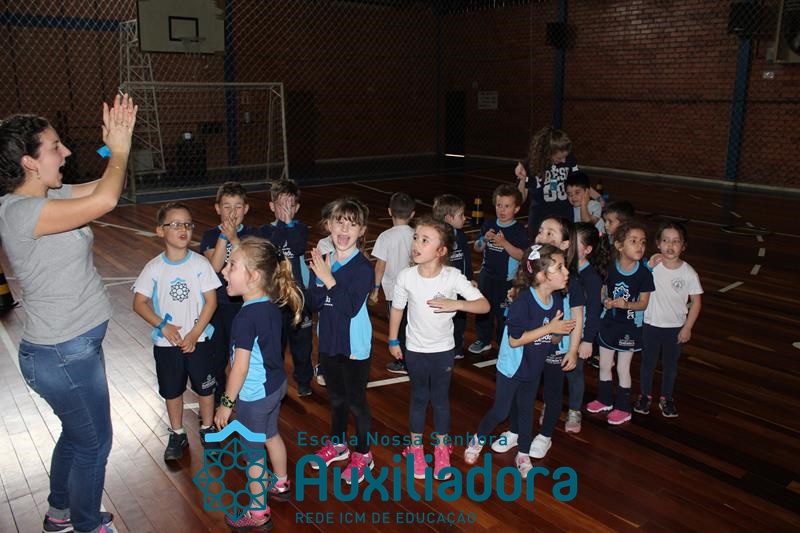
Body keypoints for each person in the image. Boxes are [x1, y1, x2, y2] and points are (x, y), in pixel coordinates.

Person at [0, 94, 137, 533]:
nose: (66, 152)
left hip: (73, 349)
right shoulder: (21, 213)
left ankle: (59, 513)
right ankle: (86, 524)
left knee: (77, 434)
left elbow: (102, 186)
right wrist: (119, 149)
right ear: (29, 162)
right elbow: (106, 201)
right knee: (95, 443)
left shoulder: (50, 194)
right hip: (62, 355)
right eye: (55, 146)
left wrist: (113, 149)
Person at [388, 216, 488, 481]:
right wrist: (393, 340)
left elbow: (483, 305)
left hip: (443, 351)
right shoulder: (406, 276)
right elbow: (397, 309)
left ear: (441, 250)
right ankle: (416, 449)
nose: (416, 244)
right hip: (415, 350)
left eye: (425, 240)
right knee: (419, 398)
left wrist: (457, 304)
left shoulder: (452, 277)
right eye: (416, 238)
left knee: (441, 400)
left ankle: (442, 449)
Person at [214, 237, 304, 531]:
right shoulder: (271, 307)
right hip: (275, 386)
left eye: (232, 266)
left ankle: (258, 512)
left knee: (252, 453)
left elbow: (239, 368)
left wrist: (226, 403)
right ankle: (281, 482)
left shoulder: (245, 318)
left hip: (254, 397)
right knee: (271, 434)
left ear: (253, 276)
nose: (225, 271)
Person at [463, 244, 574, 478]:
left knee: (526, 410)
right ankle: (477, 440)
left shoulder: (556, 300)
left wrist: (558, 331)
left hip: (533, 367)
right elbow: (515, 340)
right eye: (560, 267)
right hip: (512, 368)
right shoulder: (523, 302)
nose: (566, 272)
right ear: (542, 276)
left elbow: (552, 340)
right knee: (501, 411)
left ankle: (523, 454)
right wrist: (550, 328)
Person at [133, 203, 221, 459]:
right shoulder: (153, 268)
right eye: (175, 224)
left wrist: (194, 333)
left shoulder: (200, 264)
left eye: (187, 224)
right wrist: (163, 325)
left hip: (199, 340)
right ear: (160, 231)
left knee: (205, 388)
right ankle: (177, 433)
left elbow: (211, 301)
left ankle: (207, 428)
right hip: (167, 344)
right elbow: (139, 303)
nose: (183, 228)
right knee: (172, 390)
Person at [307, 197, 375, 485]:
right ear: (329, 226)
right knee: (336, 398)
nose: (344, 229)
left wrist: (328, 278)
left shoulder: (363, 268)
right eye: (339, 222)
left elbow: (349, 307)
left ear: (362, 231)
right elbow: (313, 303)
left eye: (352, 224)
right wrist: (320, 277)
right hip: (329, 341)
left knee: (356, 403)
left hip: (354, 347)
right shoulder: (324, 262)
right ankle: (338, 445)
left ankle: (364, 454)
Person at [587, 221, 654, 425]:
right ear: (619, 245)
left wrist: (626, 304)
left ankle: (623, 408)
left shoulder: (644, 274)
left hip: (630, 328)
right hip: (609, 323)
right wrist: (605, 300)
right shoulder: (609, 268)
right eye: (633, 241)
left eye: (643, 242)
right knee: (605, 364)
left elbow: (643, 304)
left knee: (623, 368)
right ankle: (604, 399)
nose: (640, 246)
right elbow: (602, 292)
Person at [200, 181, 260, 406]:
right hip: (218, 304)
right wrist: (224, 236)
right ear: (217, 208)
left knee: (243, 352)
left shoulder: (253, 235)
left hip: (246, 304)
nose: (232, 212)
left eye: (238, 207)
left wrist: (235, 239)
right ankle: (218, 398)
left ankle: (243, 395)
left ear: (246, 209)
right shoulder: (210, 235)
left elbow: (251, 264)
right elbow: (215, 267)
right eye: (227, 207)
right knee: (218, 354)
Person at [635, 222, 702, 418]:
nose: (670, 245)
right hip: (650, 325)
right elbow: (635, 278)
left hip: (675, 328)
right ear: (658, 243)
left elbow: (696, 303)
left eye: (676, 241)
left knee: (670, 365)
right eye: (665, 240)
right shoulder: (651, 267)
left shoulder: (688, 273)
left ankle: (666, 397)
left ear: (683, 246)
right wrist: (648, 265)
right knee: (647, 363)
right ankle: (645, 395)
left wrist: (687, 327)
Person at [260, 179, 314, 397]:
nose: (285, 210)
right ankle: (275, 382)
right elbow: (273, 248)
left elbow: (298, 246)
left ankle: (304, 380)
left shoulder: (300, 229)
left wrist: (289, 223)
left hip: (299, 298)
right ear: (272, 206)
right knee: (276, 346)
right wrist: (283, 224)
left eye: (290, 205)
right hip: (275, 299)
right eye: (281, 205)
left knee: (303, 345)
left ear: (297, 207)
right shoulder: (265, 230)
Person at [469, 184, 527, 355]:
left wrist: (504, 243)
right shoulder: (489, 223)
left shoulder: (518, 230)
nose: (502, 210)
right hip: (487, 276)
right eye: (499, 205)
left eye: (507, 206)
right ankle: (483, 339)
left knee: (504, 313)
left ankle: (504, 341)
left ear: (516, 209)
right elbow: (477, 247)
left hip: (506, 280)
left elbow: (521, 255)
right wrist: (484, 240)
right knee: (483, 309)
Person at [514, 127, 600, 240]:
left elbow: (580, 184)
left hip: (564, 217)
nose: (564, 160)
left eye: (565, 156)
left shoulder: (569, 159)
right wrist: (522, 179)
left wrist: (599, 198)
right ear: (548, 153)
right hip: (540, 218)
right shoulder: (531, 164)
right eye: (560, 157)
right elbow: (520, 199)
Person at [370, 192, 415, 374]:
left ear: (389, 211)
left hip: (394, 291)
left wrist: (375, 289)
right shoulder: (416, 234)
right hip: (413, 289)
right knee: (411, 325)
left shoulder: (385, 237)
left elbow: (380, 266)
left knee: (399, 326)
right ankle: (414, 358)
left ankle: (403, 362)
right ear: (412, 214)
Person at [432, 194, 475, 359]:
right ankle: (441, 347)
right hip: (444, 287)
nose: (465, 218)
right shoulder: (438, 238)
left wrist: (469, 279)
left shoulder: (461, 236)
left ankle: (457, 347)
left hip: (460, 286)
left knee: (460, 317)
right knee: (443, 318)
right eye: (461, 215)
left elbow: (466, 259)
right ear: (449, 218)